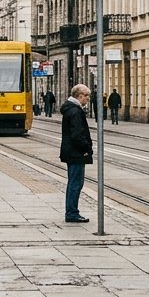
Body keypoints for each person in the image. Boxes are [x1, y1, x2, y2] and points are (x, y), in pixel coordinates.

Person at [59, 84, 93, 223]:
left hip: (71, 152)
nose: (88, 99)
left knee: (73, 182)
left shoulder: (70, 109)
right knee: (76, 183)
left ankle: (72, 211)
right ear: (80, 96)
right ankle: (72, 213)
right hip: (76, 153)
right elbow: (77, 134)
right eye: (87, 96)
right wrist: (86, 148)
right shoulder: (76, 112)